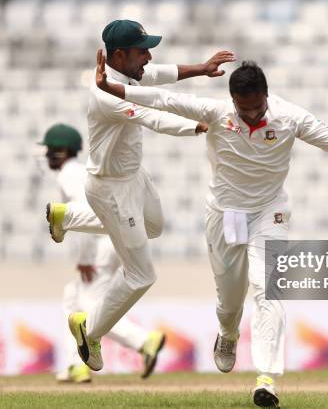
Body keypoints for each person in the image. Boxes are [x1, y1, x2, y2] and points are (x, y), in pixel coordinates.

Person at [95, 57, 328, 408]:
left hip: (270, 213)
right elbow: (163, 100)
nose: (252, 116)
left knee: (267, 288)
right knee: (229, 301)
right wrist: (110, 87)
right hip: (224, 215)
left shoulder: (289, 117)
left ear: (266, 96)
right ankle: (227, 334)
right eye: (244, 110)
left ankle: (266, 379)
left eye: (257, 108)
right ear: (233, 100)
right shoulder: (215, 112)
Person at [45, 20, 236, 372]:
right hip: (111, 189)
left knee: (155, 226)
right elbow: (153, 116)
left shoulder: (128, 75)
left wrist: (202, 68)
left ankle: (67, 216)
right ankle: (90, 329)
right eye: (142, 49)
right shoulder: (106, 93)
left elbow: (161, 75)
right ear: (119, 55)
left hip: (134, 177)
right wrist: (197, 125)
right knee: (141, 276)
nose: (148, 56)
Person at [41, 123, 166, 383]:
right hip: (105, 239)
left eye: (51, 150)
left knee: (90, 309)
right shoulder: (74, 170)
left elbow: (85, 209)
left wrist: (85, 259)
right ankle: (76, 364)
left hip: (99, 244)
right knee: (72, 297)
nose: (47, 155)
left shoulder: (69, 174)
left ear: (61, 151)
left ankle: (145, 341)